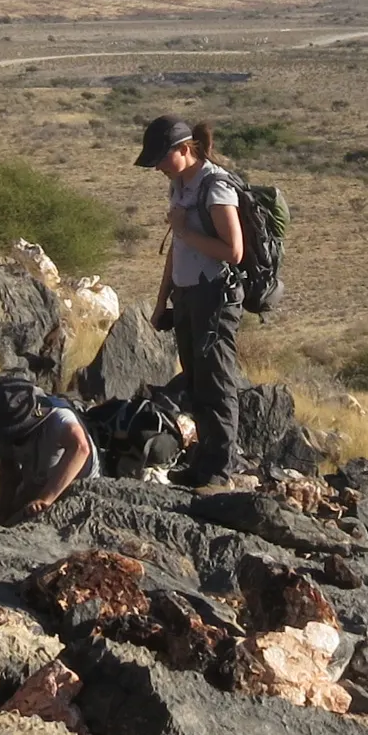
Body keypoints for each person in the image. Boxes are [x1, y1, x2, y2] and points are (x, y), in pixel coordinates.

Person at [138, 113, 248, 487]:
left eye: (161, 158)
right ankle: (203, 463)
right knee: (197, 382)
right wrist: (161, 301)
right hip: (187, 295)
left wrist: (184, 229)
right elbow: (177, 250)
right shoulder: (180, 185)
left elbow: (233, 251)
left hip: (214, 297)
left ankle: (219, 471)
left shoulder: (215, 186)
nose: (157, 168)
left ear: (185, 150)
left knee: (216, 382)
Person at [0, 370, 97, 520]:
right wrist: (4, 511)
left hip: (75, 481)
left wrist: (45, 499)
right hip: (36, 477)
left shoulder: (58, 418)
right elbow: (7, 469)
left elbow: (80, 447)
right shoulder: (0, 420)